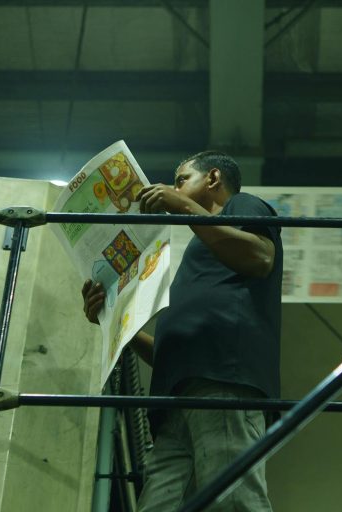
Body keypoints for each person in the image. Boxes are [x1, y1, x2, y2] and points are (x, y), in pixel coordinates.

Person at [82, 150, 283, 511]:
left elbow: (261, 257)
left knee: (233, 500)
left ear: (213, 179)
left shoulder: (243, 205)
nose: (174, 188)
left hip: (222, 378)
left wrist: (185, 207)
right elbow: (168, 354)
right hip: (177, 393)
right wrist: (109, 319)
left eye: (181, 180)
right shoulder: (201, 245)